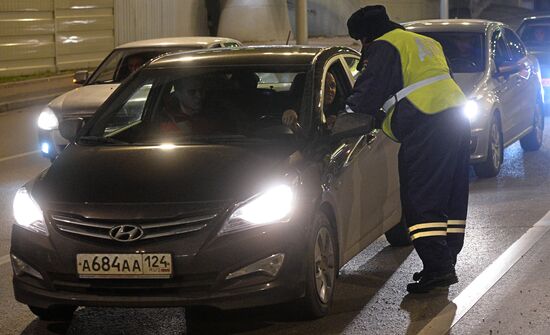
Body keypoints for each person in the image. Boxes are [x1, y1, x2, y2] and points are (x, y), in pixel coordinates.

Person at [346, 5, 469, 294]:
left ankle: (438, 268)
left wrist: (344, 116)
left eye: (360, 41)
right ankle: (445, 259)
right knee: (451, 192)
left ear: (366, 37)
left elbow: (365, 95)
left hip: (427, 124)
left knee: (421, 196)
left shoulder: (383, 47)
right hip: (457, 119)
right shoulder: (425, 42)